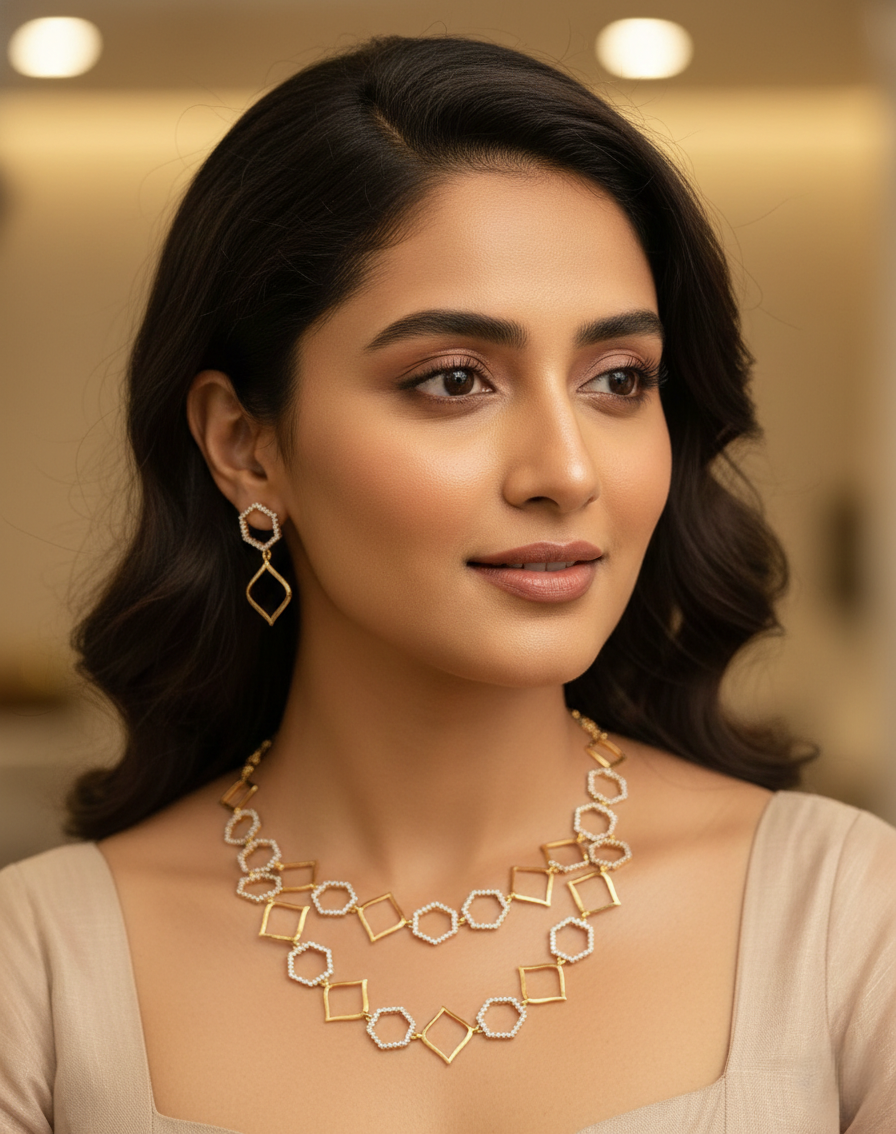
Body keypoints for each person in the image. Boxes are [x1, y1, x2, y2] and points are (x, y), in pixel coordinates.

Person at [1, 34, 894, 1134]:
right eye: (456, 380)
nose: (567, 471)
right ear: (244, 445)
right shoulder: (39, 967)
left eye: (619, 379)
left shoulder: (846, 917)